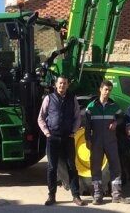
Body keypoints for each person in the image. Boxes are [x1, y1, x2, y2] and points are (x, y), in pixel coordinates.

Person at [37, 76, 86, 206]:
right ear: (55, 85)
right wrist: (47, 132)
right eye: (60, 83)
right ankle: (51, 196)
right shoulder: (48, 98)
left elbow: (77, 117)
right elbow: (41, 118)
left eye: (64, 83)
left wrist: (74, 131)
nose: (62, 86)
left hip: (67, 138)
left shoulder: (72, 99)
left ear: (68, 85)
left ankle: (76, 196)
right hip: (53, 138)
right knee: (52, 167)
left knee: (72, 167)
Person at [85, 80, 130, 205]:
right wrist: (87, 139)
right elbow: (87, 125)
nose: (108, 92)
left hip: (110, 141)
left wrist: (116, 123)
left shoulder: (114, 106)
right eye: (106, 89)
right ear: (100, 90)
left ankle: (116, 195)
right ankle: (97, 195)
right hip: (96, 142)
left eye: (109, 90)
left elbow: (122, 117)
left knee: (116, 167)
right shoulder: (91, 107)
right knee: (96, 168)